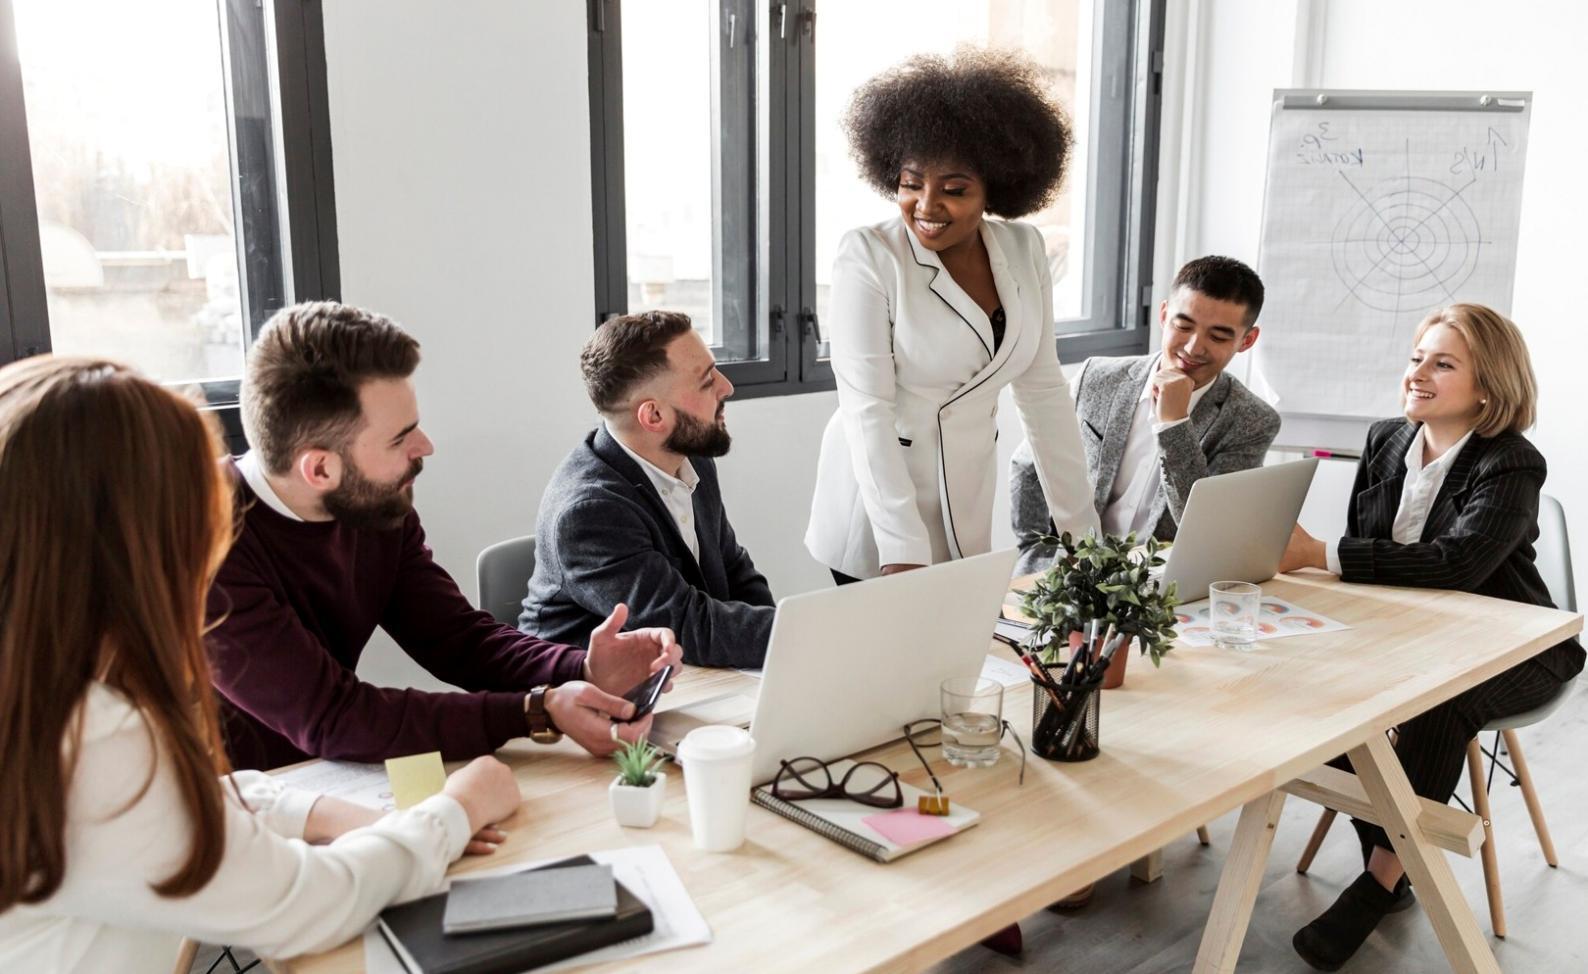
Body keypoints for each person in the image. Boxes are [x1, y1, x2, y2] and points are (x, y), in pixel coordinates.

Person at [0, 357, 523, 971]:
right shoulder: (91, 739)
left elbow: (178, 798)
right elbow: (312, 904)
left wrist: (315, 812)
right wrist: (457, 809)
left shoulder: (48, 694)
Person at [205, 301, 681, 771]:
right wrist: (535, 711)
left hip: (326, 773)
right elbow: (336, 716)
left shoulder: (371, 503)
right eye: (400, 438)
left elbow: (458, 639)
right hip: (227, 796)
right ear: (321, 469)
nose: (426, 446)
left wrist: (582, 669)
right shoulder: (202, 546)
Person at [1278, 304, 1584, 971]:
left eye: (1442, 363)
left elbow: (1459, 564)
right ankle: (1394, 848)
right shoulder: (1387, 439)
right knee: (1312, 685)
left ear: (1488, 386)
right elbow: (1375, 551)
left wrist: (1318, 554)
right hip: (1414, 634)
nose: (1417, 373)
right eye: (1417, 357)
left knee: (1439, 703)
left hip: (1519, 641)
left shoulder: (1512, 461)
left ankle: (1379, 883)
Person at [805, 49, 1098, 586]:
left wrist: (1083, 536)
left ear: (995, 187)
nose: (926, 205)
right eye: (911, 183)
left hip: (964, 491)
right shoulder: (869, 255)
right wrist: (902, 549)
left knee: (964, 636)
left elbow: (1043, 394)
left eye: (954, 189)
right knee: (899, 638)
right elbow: (867, 409)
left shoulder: (1024, 248)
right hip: (878, 504)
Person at [521, 310, 776, 668]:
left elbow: (735, 571)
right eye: (706, 381)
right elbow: (687, 625)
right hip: (586, 689)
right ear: (653, 416)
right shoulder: (590, 512)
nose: (727, 387)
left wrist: (785, 649)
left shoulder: (691, 458)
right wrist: (801, 635)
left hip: (681, 673)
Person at [1010, 256, 1280, 574]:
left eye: (1218, 337)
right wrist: (1035, 552)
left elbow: (1208, 529)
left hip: (1162, 587)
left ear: (1247, 340)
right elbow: (1030, 464)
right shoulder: (1096, 377)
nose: (1194, 348)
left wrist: (1174, 424)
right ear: (1164, 315)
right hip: (1073, 574)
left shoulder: (1252, 421)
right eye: (1183, 326)